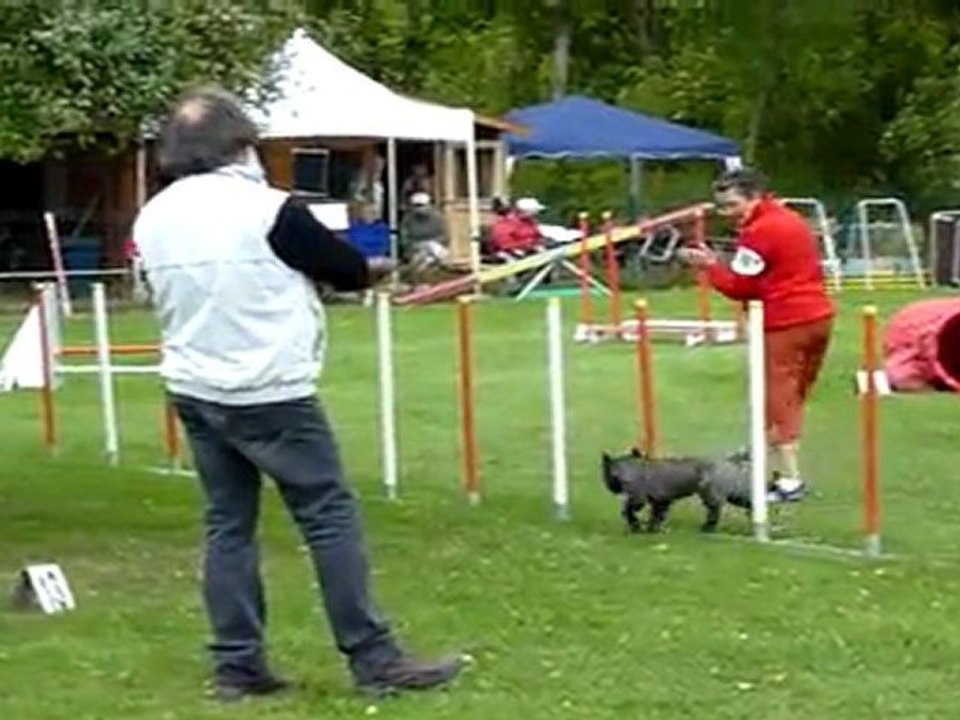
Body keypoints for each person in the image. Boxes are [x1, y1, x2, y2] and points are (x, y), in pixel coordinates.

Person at [133, 87, 464, 702]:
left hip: (195, 384)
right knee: (328, 516)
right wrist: (374, 272)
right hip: (271, 388)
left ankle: (237, 665)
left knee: (228, 525)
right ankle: (373, 656)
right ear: (239, 145)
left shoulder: (152, 216)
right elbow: (344, 268)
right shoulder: (268, 209)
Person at [678, 168, 835, 503]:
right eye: (722, 206)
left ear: (754, 197)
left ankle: (790, 481)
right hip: (819, 316)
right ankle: (760, 448)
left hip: (784, 321)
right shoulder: (791, 219)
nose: (727, 213)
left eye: (732, 205)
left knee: (780, 397)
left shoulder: (760, 231)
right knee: (796, 392)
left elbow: (741, 288)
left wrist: (708, 266)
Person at [399, 192, 449, 270]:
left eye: (422, 205)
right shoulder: (407, 220)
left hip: (435, 248)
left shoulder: (438, 218)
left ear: (429, 205)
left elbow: (445, 237)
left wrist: (430, 244)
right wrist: (420, 246)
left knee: (438, 252)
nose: (419, 208)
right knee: (419, 260)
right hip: (415, 251)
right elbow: (404, 240)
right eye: (416, 206)